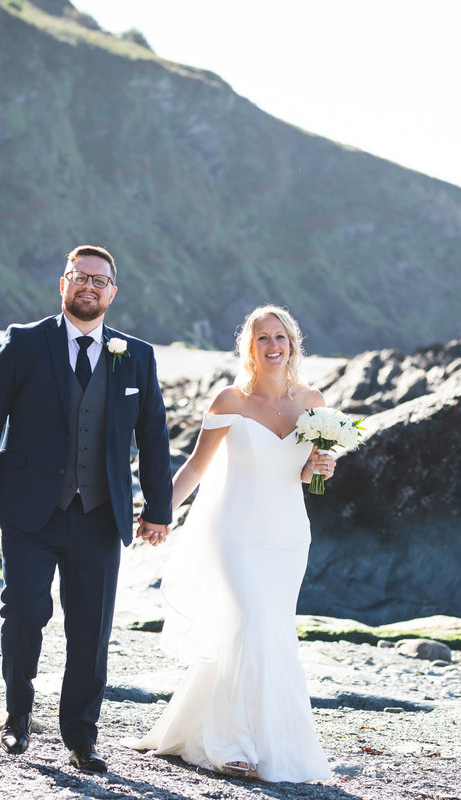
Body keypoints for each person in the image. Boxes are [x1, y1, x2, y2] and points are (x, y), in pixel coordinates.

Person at [0, 245, 173, 773]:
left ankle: (80, 737)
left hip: (101, 515)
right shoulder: (25, 343)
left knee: (91, 630)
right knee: (25, 613)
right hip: (30, 511)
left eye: (100, 281)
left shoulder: (136, 356)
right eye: (81, 278)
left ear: (112, 293)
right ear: (64, 284)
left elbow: (153, 437)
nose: (90, 288)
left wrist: (158, 509)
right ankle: (16, 719)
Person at [127, 304, 336, 783]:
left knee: (270, 632)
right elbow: (197, 468)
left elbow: (304, 472)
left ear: (292, 344)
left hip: (287, 537)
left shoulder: (313, 401)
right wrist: (160, 511)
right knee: (252, 622)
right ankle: (232, 745)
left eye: (279, 337)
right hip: (234, 532)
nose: (273, 346)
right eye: (262, 338)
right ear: (250, 347)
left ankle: (260, 740)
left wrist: (320, 470)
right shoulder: (230, 401)